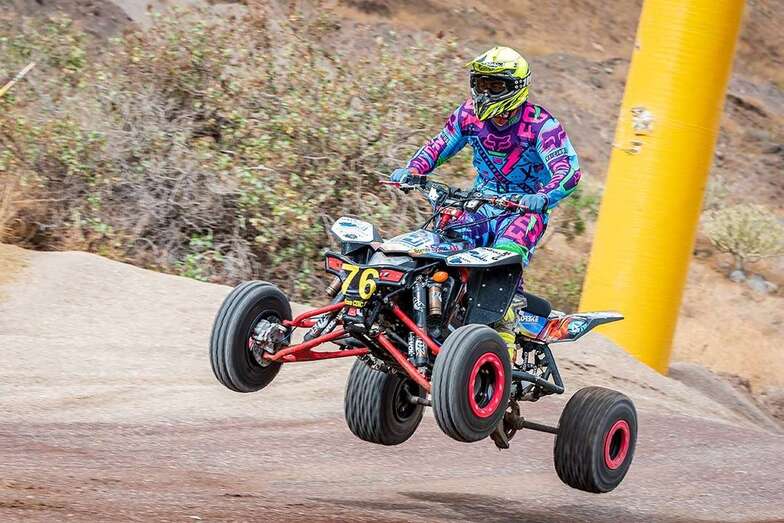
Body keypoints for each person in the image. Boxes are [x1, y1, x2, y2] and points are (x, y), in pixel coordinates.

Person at [390, 46, 581, 350]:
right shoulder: (468, 115)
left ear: (516, 87)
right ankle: (429, 320)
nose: (486, 93)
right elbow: (439, 145)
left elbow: (568, 170)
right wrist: (413, 169)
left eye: (495, 85)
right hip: (480, 203)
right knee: (439, 247)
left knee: (502, 264)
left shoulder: (541, 125)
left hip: (523, 210)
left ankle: (503, 345)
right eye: (481, 84)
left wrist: (543, 197)